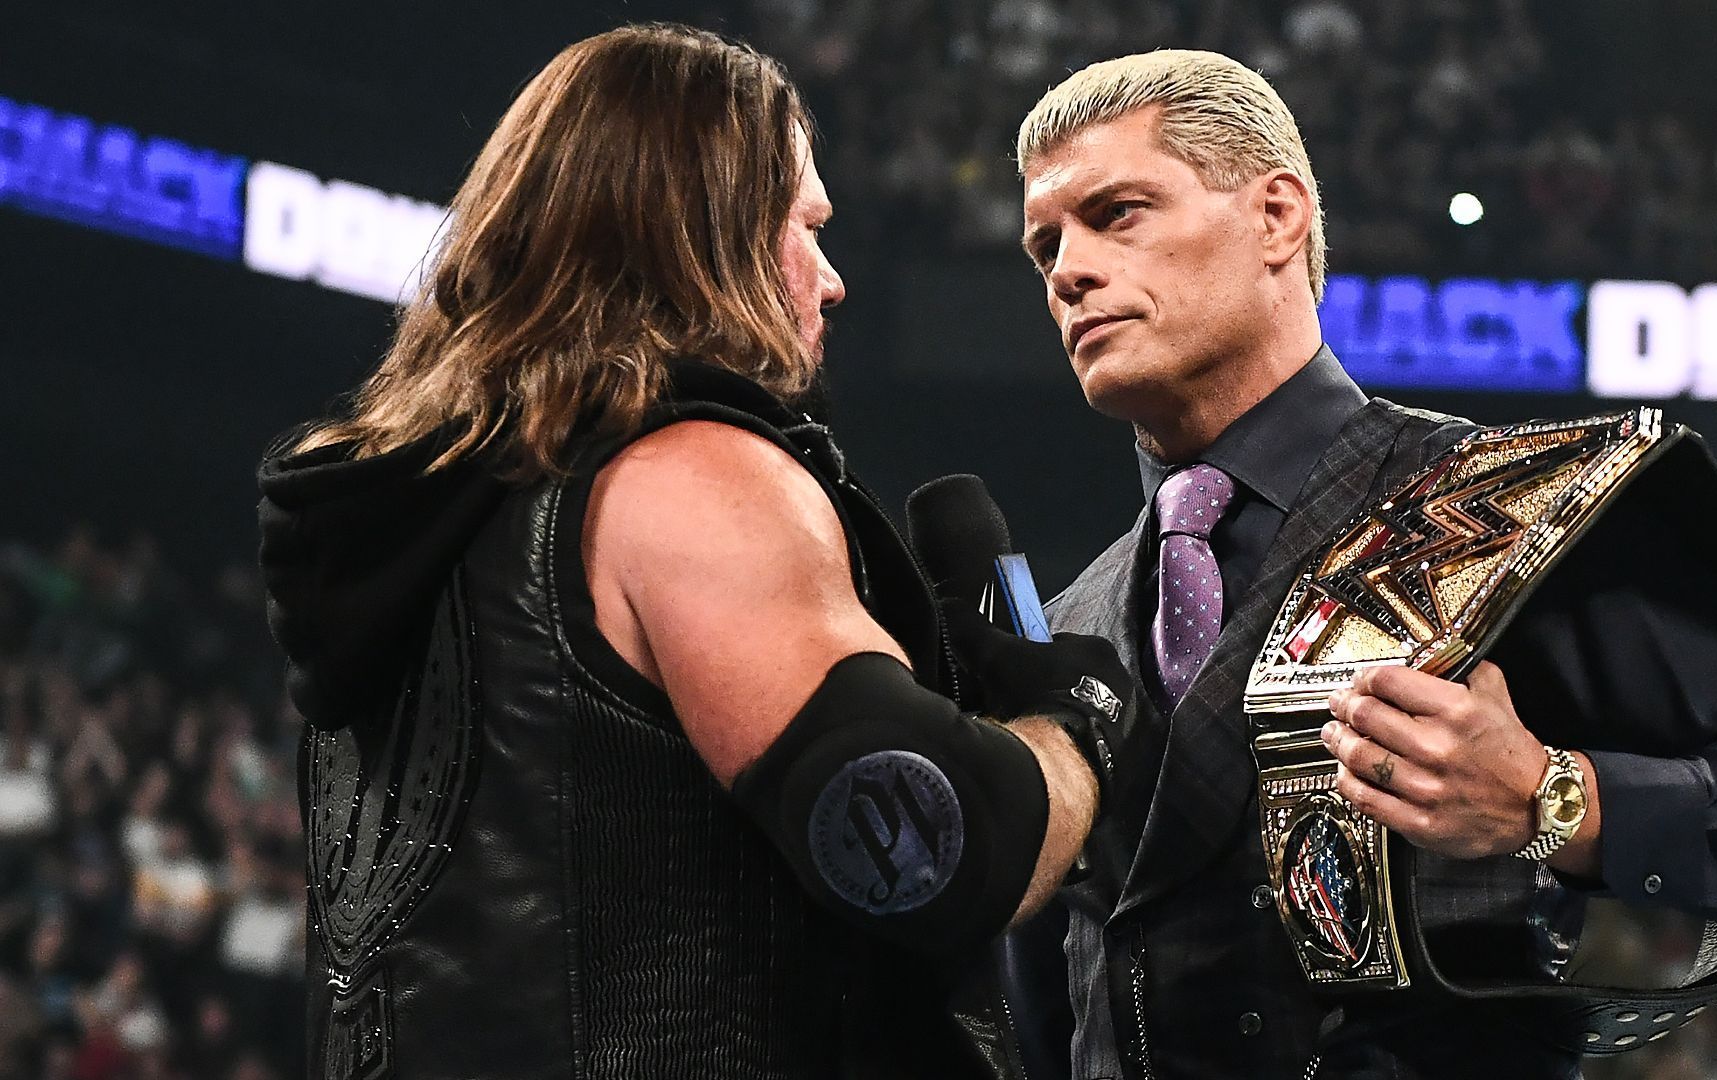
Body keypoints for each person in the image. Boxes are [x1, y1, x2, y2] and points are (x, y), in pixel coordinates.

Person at [1013, 50, 1717, 1079]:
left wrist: (1554, 799)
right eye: (1046, 247)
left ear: (1276, 217)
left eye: (1117, 212)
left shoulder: (1521, 507)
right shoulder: (1070, 623)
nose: (1070, 270)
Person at [257, 24, 1128, 1080]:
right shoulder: (688, 481)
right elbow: (929, 844)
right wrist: (1075, 723)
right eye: (806, 226)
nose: (833, 277)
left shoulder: (402, 535)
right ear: (704, 233)